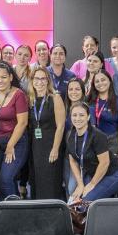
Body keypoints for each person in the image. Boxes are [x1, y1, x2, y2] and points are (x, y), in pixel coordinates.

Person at [0, 62, 30, 199]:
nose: (0, 81)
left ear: (11, 77)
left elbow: (22, 123)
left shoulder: (19, 94)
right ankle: (14, 209)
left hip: (16, 142)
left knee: (6, 179)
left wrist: (10, 145)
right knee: (3, 180)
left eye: (3, 77)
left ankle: (14, 214)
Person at [67, 102, 118, 201]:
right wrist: (80, 184)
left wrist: (92, 184)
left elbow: (105, 163)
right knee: (75, 199)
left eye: (81, 115)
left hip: (111, 174)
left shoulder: (98, 135)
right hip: (93, 173)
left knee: (86, 201)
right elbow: (73, 161)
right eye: (74, 115)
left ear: (88, 117)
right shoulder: (70, 135)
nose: (77, 118)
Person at [28, 67, 66, 200]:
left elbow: (61, 126)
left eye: (43, 78)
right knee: (37, 179)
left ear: (48, 80)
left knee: (51, 179)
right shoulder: (30, 100)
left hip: (51, 144)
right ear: (32, 81)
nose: (40, 82)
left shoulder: (55, 98)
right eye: (36, 78)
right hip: (36, 146)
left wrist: (55, 149)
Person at [89, 68, 118, 193]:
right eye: (97, 81)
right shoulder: (90, 100)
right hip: (93, 142)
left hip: (112, 142)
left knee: (112, 175)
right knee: (97, 173)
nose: (100, 83)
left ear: (109, 81)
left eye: (103, 80)